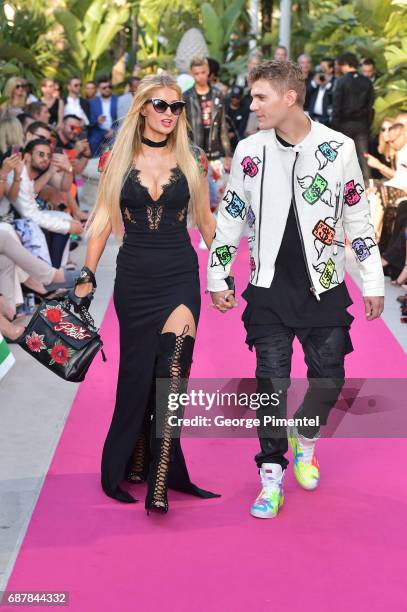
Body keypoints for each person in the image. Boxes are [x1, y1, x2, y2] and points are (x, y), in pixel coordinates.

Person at [207, 60, 384, 519]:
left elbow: (357, 218)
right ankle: (270, 477)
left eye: (261, 96)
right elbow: (229, 218)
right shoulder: (250, 149)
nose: (253, 105)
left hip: (322, 286)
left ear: (289, 97)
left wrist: (371, 279)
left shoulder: (338, 147)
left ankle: (304, 439)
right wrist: (217, 276)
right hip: (267, 290)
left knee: (329, 378)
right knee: (271, 383)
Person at [73, 74, 218, 514]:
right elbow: (100, 221)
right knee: (137, 376)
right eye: (161, 105)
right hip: (134, 279)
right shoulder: (115, 159)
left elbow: (208, 222)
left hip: (179, 275)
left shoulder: (194, 159)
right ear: (141, 108)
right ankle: (132, 460)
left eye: (176, 107)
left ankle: (160, 480)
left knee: (174, 372)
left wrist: (223, 274)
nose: (169, 114)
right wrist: (86, 275)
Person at [331, 52, 374, 181]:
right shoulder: (366, 81)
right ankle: (369, 186)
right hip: (362, 124)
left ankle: (344, 186)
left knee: (344, 157)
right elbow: (370, 105)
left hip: (344, 125)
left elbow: (336, 106)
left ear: (345, 65)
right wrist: (367, 124)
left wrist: (334, 126)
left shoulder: (341, 81)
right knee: (364, 156)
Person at [88, 77, 118, 155]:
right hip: (98, 130)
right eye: (104, 88)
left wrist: (113, 130)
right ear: (99, 89)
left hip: (114, 130)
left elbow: (121, 118)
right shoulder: (92, 103)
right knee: (93, 141)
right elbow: (90, 121)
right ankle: (95, 161)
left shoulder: (117, 100)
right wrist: (97, 121)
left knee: (118, 142)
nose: (107, 89)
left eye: (109, 87)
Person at [308, 57, 335, 125]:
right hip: (313, 118)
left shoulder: (336, 82)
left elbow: (334, 96)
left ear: (331, 69)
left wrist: (327, 84)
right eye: (320, 67)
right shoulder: (316, 78)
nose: (321, 70)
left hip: (327, 121)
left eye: (324, 68)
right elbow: (306, 94)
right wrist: (314, 83)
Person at [224, 85, 251, 152]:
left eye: (237, 98)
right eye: (233, 97)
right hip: (223, 131)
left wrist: (233, 134)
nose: (234, 99)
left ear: (241, 97)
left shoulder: (245, 108)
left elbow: (242, 126)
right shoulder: (225, 103)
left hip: (236, 135)